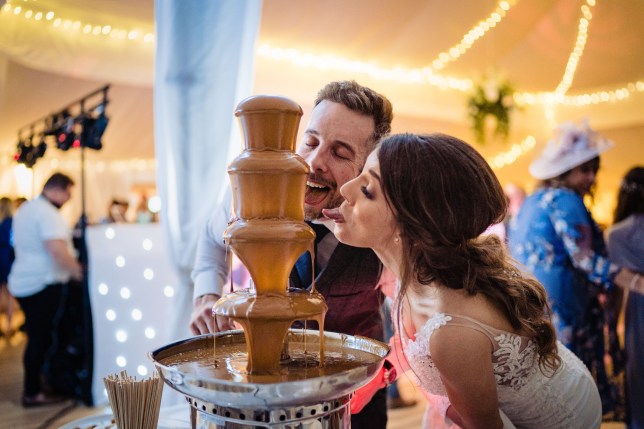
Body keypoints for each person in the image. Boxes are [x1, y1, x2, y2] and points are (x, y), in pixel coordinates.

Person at [324, 132, 624, 428]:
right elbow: (413, 340)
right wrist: (382, 372)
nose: (346, 189)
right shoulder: (415, 275)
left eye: (367, 190)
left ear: (414, 226)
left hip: (565, 415)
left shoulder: (452, 331)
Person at [190, 80, 394, 428]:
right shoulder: (251, 191)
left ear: (366, 168)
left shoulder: (384, 215)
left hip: (354, 398)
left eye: (340, 153)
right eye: (311, 142)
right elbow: (210, 240)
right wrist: (206, 294)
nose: (314, 162)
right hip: (267, 392)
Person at [508, 121, 642, 417]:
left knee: (551, 391)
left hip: (537, 310)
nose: (592, 178)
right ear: (565, 171)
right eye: (585, 170)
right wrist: (634, 281)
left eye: (595, 169)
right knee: (574, 392)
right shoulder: (565, 199)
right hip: (568, 311)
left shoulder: (533, 201)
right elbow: (584, 259)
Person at [8, 172, 83, 407]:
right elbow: (57, 251)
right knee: (41, 339)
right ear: (58, 190)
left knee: (38, 337)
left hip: (24, 281)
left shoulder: (29, 208)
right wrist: (79, 273)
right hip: (40, 284)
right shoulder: (47, 213)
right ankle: (33, 392)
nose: (69, 198)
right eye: (68, 192)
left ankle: (39, 384)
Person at [606, 166, 644, 429]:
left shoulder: (618, 234)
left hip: (639, 312)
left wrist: (611, 332)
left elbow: (615, 292)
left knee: (640, 379)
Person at [0, 196, 16, 337]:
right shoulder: (11, 223)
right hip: (6, 259)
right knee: (10, 294)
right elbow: (13, 242)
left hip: (3, 257)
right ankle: (9, 326)